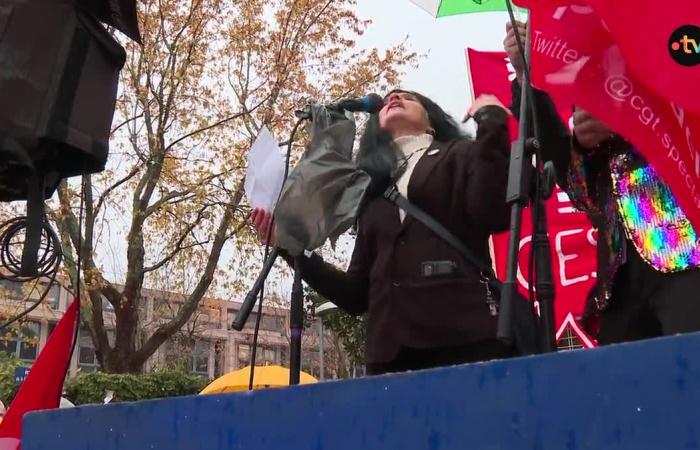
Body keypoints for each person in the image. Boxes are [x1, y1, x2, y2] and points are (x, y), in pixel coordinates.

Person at [251, 89, 516, 375]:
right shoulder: (371, 192)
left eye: (409, 97)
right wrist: (287, 246)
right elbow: (355, 294)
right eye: (389, 98)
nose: (394, 98)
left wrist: (491, 124)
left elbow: (494, 212)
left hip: (466, 337)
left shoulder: (460, 154)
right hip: (391, 356)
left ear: (431, 122)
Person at [504, 21, 700, 344]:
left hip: (686, 248)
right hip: (618, 280)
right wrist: (528, 76)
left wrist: (630, 118)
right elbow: (582, 194)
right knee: (624, 389)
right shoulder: (589, 72)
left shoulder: (677, 29)